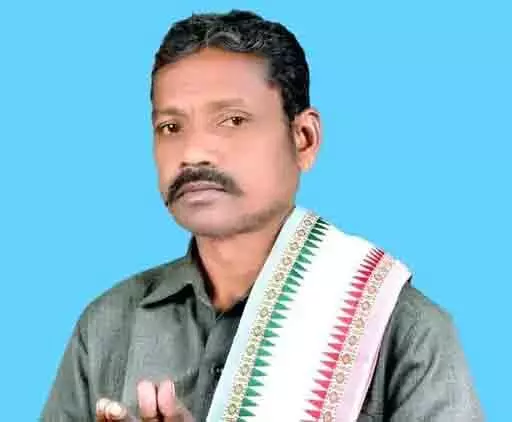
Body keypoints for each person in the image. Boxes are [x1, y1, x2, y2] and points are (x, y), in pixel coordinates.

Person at [41, 10, 484, 422]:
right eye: (170, 127)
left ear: (304, 139)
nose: (193, 152)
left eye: (233, 120)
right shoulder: (108, 324)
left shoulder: (401, 329)